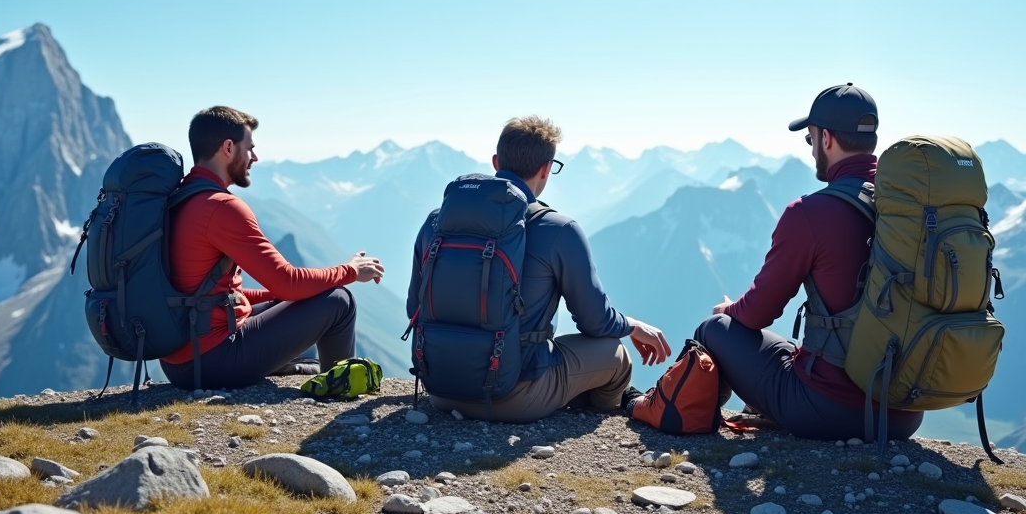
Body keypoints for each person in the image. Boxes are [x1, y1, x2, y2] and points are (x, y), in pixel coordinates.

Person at [692, 84, 923, 441]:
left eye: (810, 139)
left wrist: (728, 309)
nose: (812, 148)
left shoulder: (809, 213)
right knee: (791, 351)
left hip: (829, 410)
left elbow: (756, 314)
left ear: (826, 138)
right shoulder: (912, 207)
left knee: (713, 330)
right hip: (905, 414)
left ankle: (692, 422)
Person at [407, 116, 672, 423]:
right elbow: (595, 323)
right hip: (513, 397)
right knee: (616, 356)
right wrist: (633, 325)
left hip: (440, 390)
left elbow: (414, 307)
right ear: (546, 168)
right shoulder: (559, 229)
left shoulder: (436, 223)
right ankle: (592, 416)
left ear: (496, 163)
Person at [160, 106, 384, 391]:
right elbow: (288, 282)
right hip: (211, 361)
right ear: (228, 147)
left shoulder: (181, 198)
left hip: (182, 358)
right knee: (339, 300)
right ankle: (340, 387)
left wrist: (283, 298)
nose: (255, 157)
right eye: (249, 148)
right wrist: (350, 271)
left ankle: (303, 369)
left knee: (298, 297)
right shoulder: (222, 208)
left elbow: (213, 294)